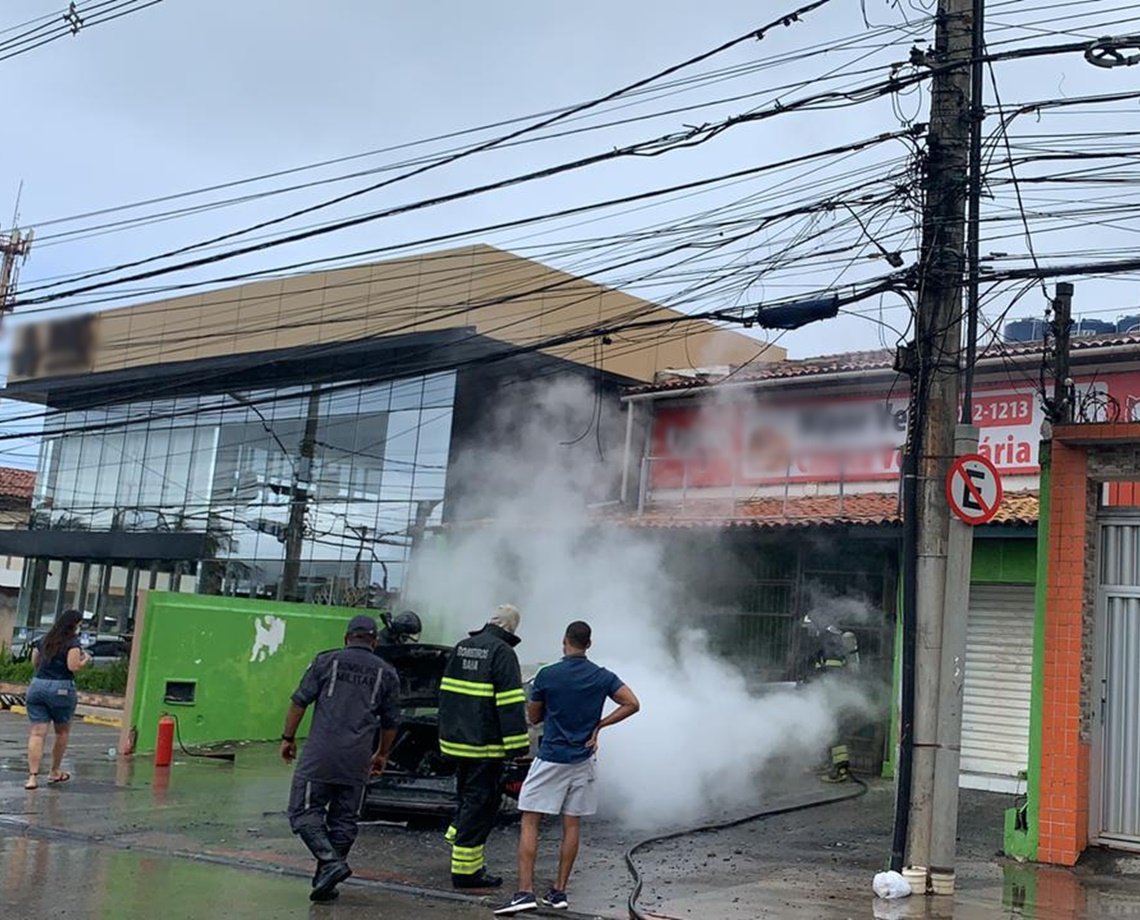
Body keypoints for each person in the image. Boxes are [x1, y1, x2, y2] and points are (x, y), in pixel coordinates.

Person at [495, 620, 640, 915]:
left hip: (551, 758)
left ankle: (525, 892)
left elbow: (534, 717)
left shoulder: (548, 675)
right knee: (571, 824)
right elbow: (632, 703)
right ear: (589, 644)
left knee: (530, 819)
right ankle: (559, 891)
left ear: (565, 641)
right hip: (583, 760)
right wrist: (600, 725)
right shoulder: (602, 676)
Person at [281, 614, 401, 903]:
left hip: (319, 756)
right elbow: (391, 723)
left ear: (347, 638)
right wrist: (382, 754)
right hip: (357, 759)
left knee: (303, 812)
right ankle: (326, 882)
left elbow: (299, 701)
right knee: (344, 820)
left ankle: (330, 863)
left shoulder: (325, 662)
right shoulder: (387, 673)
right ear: (374, 641)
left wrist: (287, 738)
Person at [438, 604, 529, 889]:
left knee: (467, 798)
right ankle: (467, 873)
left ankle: (459, 833)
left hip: (457, 743)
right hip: (485, 747)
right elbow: (510, 704)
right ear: (511, 628)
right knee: (481, 804)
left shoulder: (462, 647)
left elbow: (446, 697)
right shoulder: (503, 653)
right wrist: (517, 746)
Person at [24, 609, 92, 790]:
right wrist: (85, 660)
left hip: (37, 685)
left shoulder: (45, 639)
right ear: (75, 624)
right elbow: (73, 666)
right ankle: (54, 771)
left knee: (37, 733)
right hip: (61, 687)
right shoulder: (72, 642)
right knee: (61, 732)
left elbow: (35, 662)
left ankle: (32, 777)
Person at [801, 612, 860, 783]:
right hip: (832, 692)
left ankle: (840, 769)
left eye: (810, 626)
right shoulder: (828, 638)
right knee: (827, 728)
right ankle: (829, 763)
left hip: (836, 694)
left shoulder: (830, 639)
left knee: (835, 731)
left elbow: (833, 671)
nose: (809, 631)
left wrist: (813, 681)